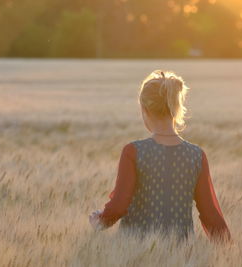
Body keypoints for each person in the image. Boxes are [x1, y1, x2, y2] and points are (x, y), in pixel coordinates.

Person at [89, 70, 232, 245]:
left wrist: (100, 221)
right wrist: (230, 250)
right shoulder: (196, 155)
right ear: (175, 108)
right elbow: (210, 214)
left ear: (145, 109)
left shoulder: (133, 151)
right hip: (182, 255)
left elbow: (119, 206)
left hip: (136, 253)